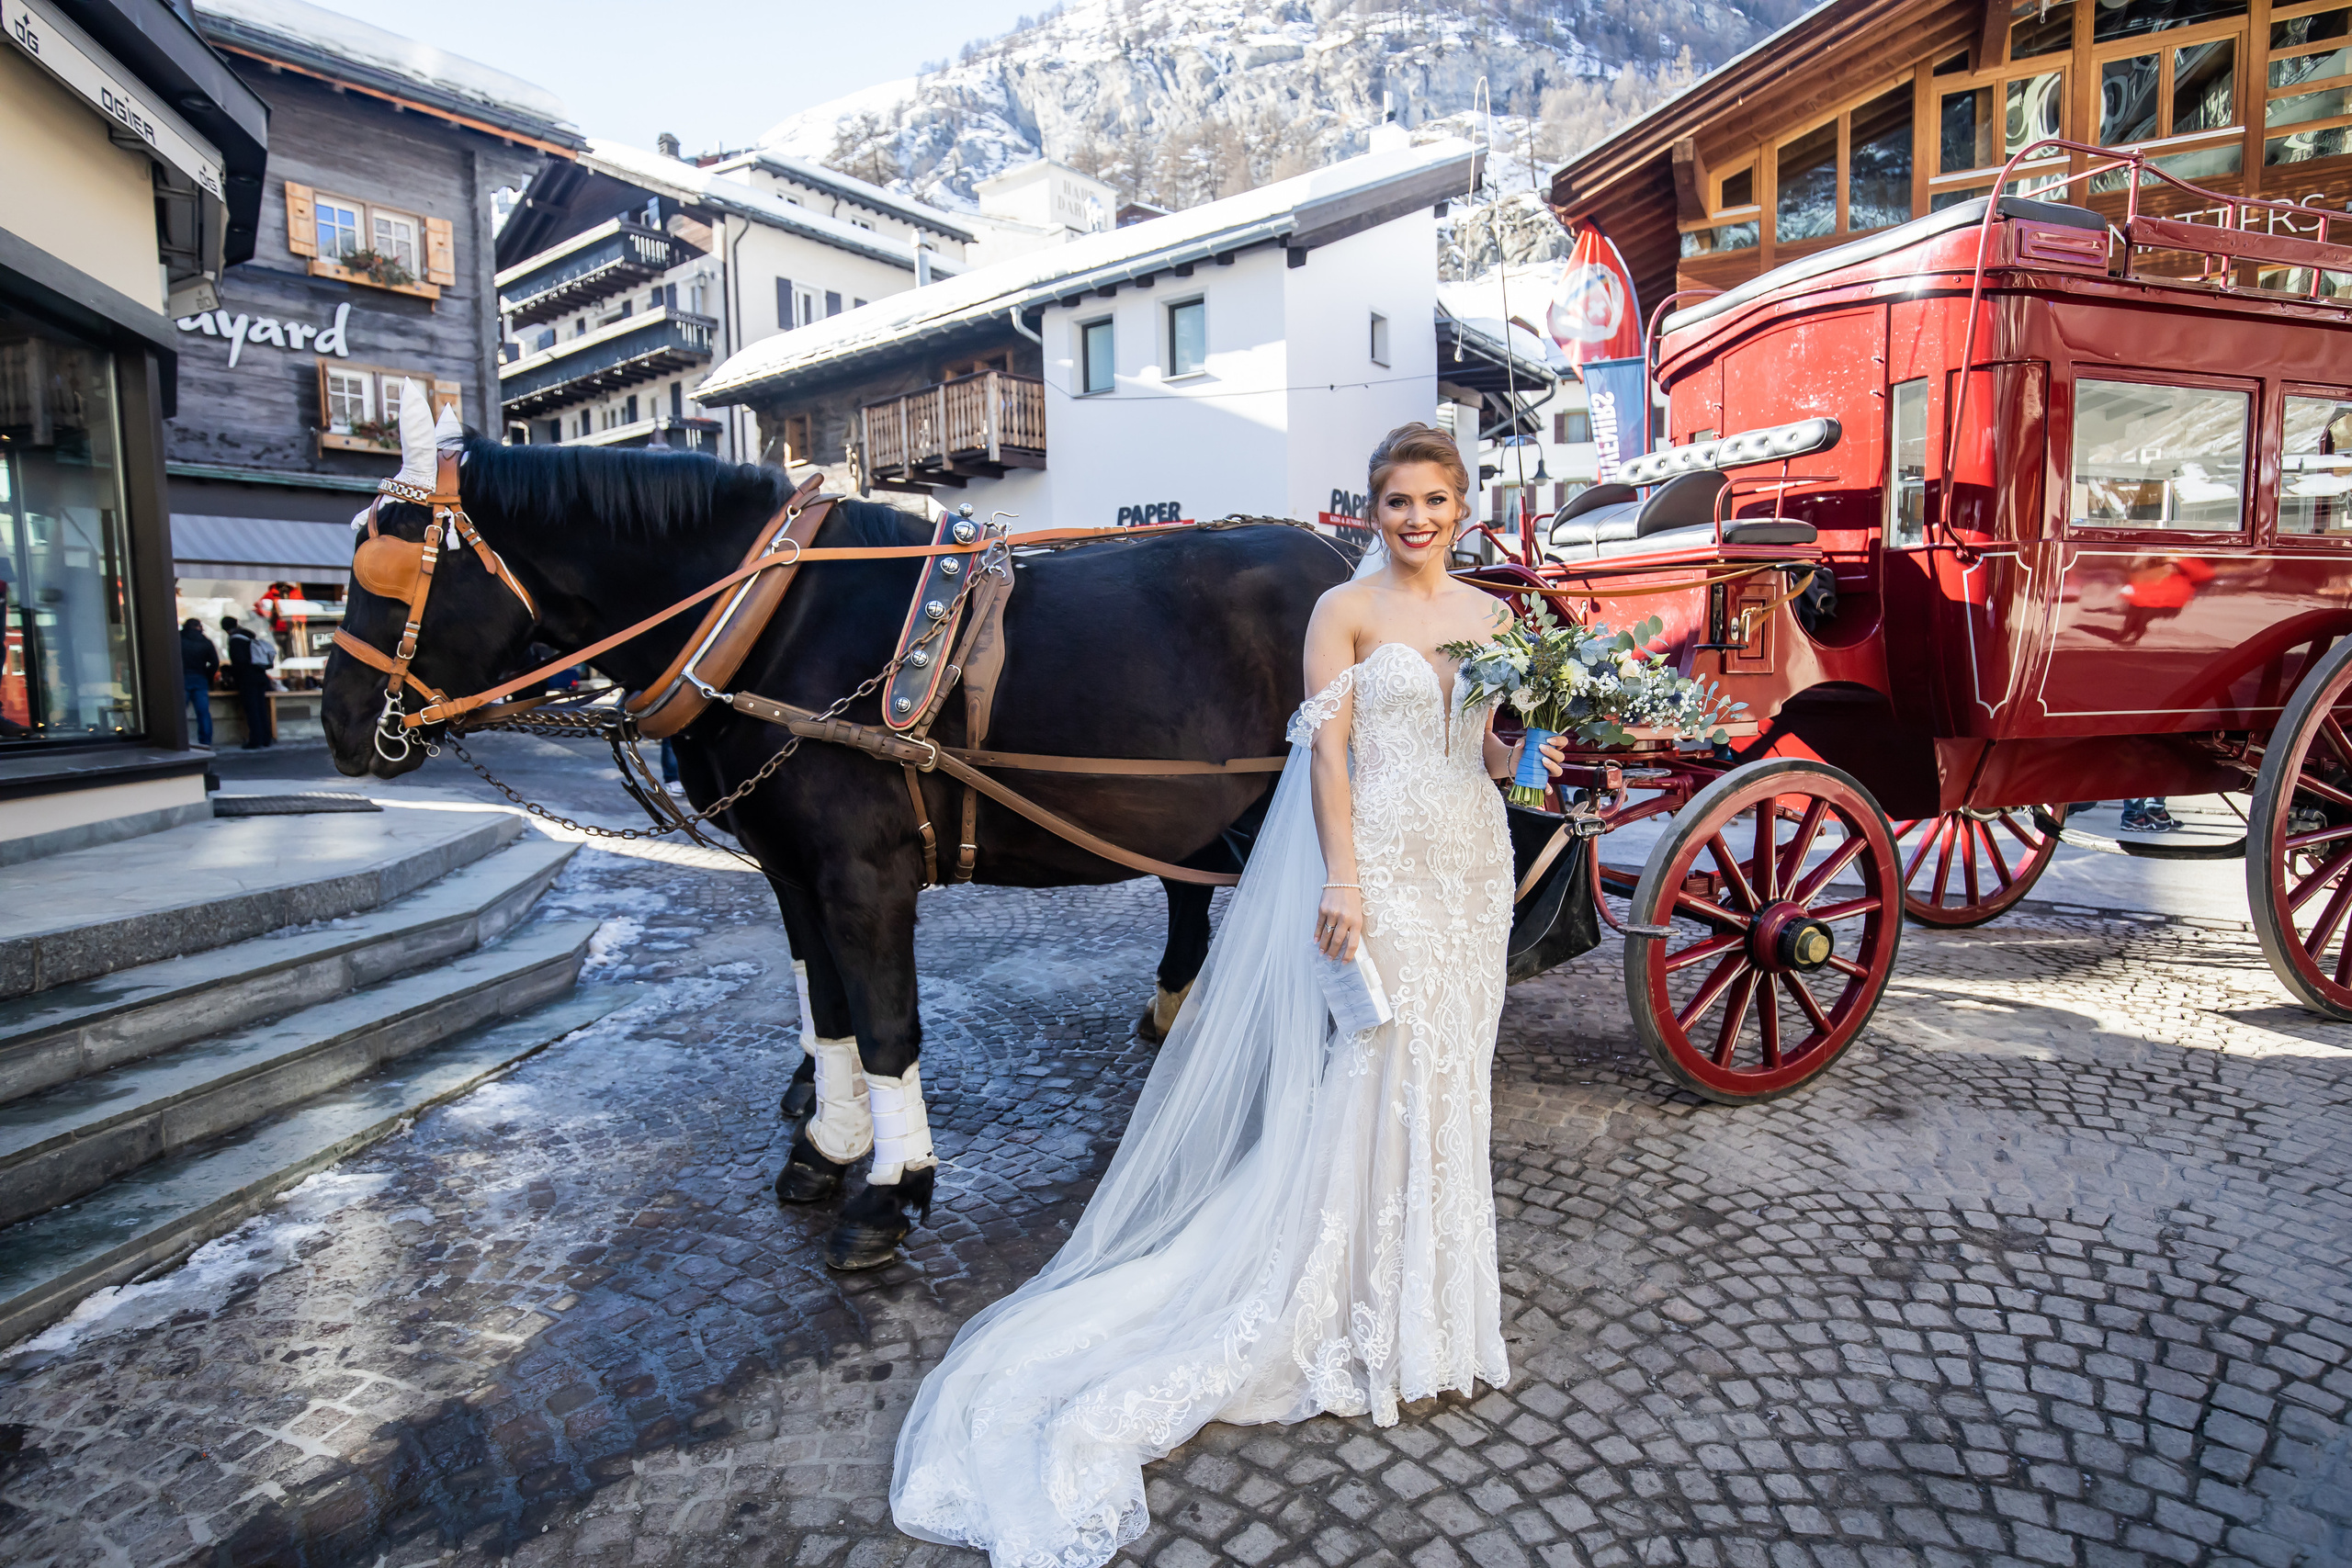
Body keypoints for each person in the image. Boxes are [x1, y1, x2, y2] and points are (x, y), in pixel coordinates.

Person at [891, 423, 1567, 1565]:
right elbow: (1328, 759)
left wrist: (1538, 725)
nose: (1415, 519)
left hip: (1468, 860)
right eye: (1396, 501)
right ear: (1373, 510)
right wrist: (1342, 881)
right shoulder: (1341, 615)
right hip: (1388, 871)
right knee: (1379, 1067)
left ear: (1462, 507)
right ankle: (1343, 1297)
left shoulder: (1494, 621)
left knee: (1453, 1073)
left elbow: (1491, 762)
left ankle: (1432, 1306)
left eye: (1434, 501)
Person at [221, 615, 274, 749]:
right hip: (260, 676)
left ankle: (255, 740)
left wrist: (228, 670)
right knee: (261, 708)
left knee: (252, 710)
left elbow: (240, 663)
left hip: (248, 679)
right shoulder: (249, 636)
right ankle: (266, 738)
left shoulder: (235, 641)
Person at [179, 617, 218, 748]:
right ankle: (205, 741)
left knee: (179, 712)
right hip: (200, 678)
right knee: (203, 712)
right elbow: (215, 662)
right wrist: (208, 676)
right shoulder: (205, 641)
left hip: (182, 677)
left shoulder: (178, 639)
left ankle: (179, 741)